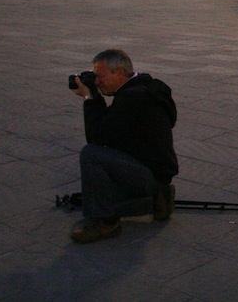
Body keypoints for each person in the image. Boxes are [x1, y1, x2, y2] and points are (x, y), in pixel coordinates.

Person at [68, 49, 178, 244]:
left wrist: (90, 98)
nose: (97, 82)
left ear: (119, 73)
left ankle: (107, 224)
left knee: (91, 155)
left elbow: (96, 138)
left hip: (148, 174)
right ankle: (157, 199)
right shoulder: (145, 87)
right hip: (155, 170)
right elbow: (110, 129)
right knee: (93, 195)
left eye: (100, 76)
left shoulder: (132, 98)